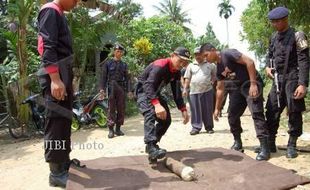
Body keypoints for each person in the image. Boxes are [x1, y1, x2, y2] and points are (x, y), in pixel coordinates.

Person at [37, 0, 82, 187]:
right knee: (56, 121)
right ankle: (55, 173)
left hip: (62, 73)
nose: (77, 3)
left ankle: (63, 162)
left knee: (64, 120)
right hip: (54, 75)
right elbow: (47, 46)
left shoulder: (59, 13)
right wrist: (55, 79)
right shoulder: (50, 11)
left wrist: (66, 78)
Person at [200, 43, 270, 161]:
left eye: (206, 55)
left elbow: (250, 62)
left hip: (250, 84)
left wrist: (253, 84)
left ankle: (265, 147)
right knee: (232, 115)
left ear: (213, 50)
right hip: (237, 88)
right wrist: (217, 108)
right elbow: (220, 89)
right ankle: (237, 142)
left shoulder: (228, 53)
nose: (206, 59)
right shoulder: (219, 69)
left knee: (256, 113)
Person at [264, 7, 309, 158]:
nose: (274, 24)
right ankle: (270, 141)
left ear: (285, 20)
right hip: (277, 79)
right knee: (271, 109)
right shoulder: (273, 38)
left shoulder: (298, 36)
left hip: (293, 77)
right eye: (272, 22)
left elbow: (304, 61)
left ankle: (292, 144)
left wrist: (303, 83)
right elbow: (269, 56)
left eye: (277, 21)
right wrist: (267, 68)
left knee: (294, 111)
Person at [135, 47, 190, 164]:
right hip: (143, 91)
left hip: (155, 93)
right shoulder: (160, 65)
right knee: (150, 113)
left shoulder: (176, 72)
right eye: (180, 60)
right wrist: (156, 104)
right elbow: (148, 85)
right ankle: (151, 146)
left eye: (185, 62)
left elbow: (176, 92)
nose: (182, 64)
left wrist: (183, 109)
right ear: (172, 55)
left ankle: (152, 146)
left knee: (166, 120)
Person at [99, 43, 133, 138]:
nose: (119, 53)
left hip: (121, 87)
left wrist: (129, 90)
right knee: (111, 109)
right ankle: (111, 130)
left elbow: (128, 79)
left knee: (121, 108)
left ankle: (118, 129)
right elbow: (103, 77)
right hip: (112, 86)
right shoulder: (108, 63)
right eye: (118, 51)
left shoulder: (124, 65)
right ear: (114, 52)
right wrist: (102, 89)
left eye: (121, 52)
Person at [183, 46, 216, 135]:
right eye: (196, 54)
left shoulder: (211, 64)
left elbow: (214, 75)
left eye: (199, 54)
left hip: (207, 90)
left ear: (203, 55)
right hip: (194, 91)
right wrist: (185, 89)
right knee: (195, 110)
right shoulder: (190, 65)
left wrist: (212, 82)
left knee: (208, 109)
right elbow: (187, 78)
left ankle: (209, 127)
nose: (197, 56)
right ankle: (196, 127)